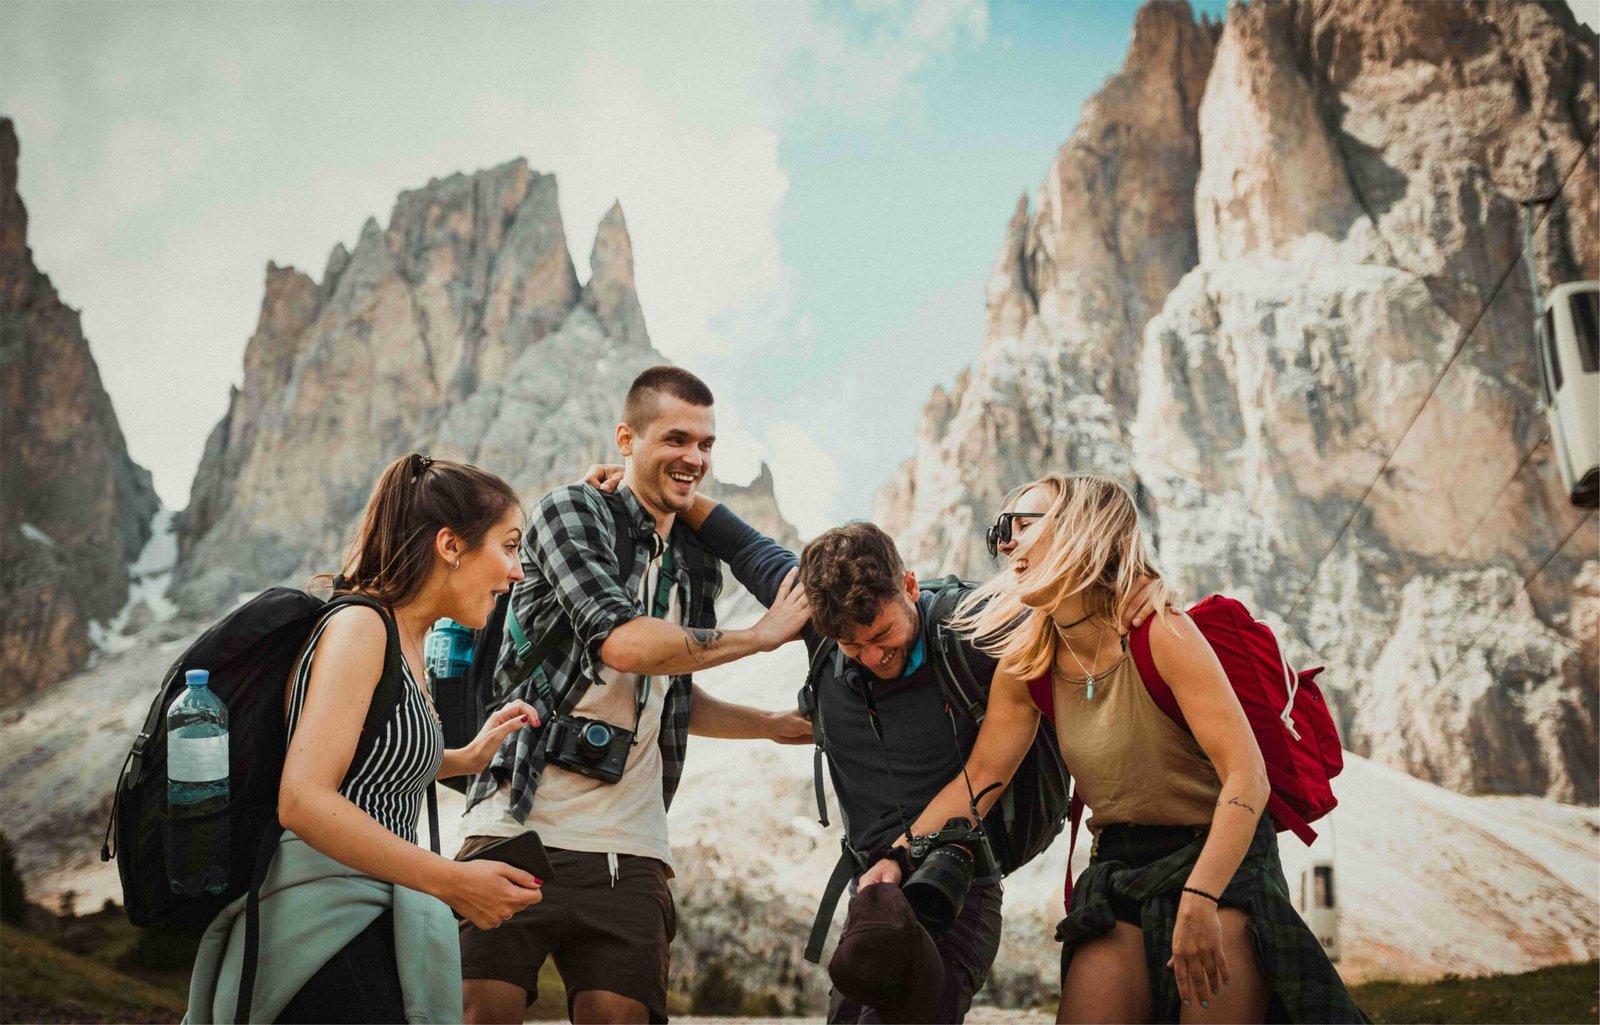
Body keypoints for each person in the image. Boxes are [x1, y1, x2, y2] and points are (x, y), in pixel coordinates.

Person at [575, 476, 1161, 1025]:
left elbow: (1073, 588)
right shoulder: (819, 622)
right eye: (851, 647)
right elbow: (740, 542)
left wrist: (1140, 585)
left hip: (956, 886)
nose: (874, 657)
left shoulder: (973, 629)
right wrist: (652, 483)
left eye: (883, 636)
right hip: (874, 891)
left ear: (909, 587)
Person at [877, 472, 1368, 1024]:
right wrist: (894, 857)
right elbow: (979, 781)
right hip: (1119, 867)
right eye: (1001, 531)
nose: (1006, 544)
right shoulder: (1027, 664)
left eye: (1022, 525)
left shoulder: (1161, 633)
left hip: (1219, 859)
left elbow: (1247, 777)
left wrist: (1203, 896)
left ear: (1083, 528)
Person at [457, 366, 813, 1025]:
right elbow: (621, 643)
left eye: (706, 444)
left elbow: (669, 687)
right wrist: (759, 637)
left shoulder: (694, 561)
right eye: (676, 439)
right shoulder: (570, 512)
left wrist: (770, 724)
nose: (695, 458)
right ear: (626, 439)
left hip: (632, 847)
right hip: (516, 823)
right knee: (480, 1016)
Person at [186, 453, 548, 1023]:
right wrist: (455, 882)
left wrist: (463, 757)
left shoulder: (405, 639)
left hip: (368, 915)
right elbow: (303, 799)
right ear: (450, 545)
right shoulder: (361, 627)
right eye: (508, 546)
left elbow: (366, 760)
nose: (517, 572)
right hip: (322, 929)